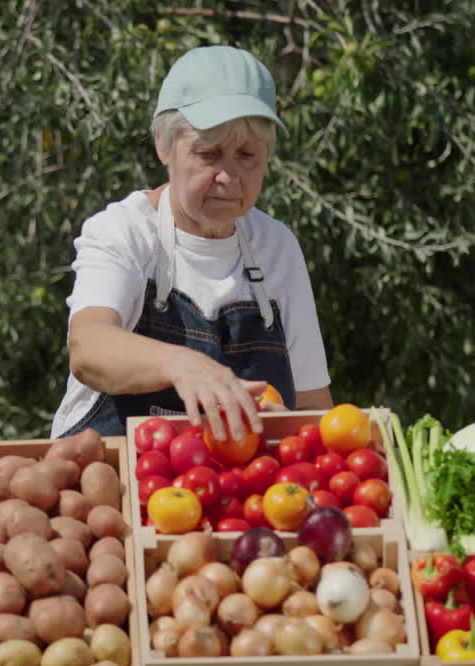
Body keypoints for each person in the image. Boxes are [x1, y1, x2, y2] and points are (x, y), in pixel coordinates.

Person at [51, 45, 334, 442]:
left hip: (234, 490)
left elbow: (312, 405)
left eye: (248, 155)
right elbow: (89, 346)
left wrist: (281, 428)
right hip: (114, 473)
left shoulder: (277, 247)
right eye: (209, 153)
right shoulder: (124, 230)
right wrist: (182, 365)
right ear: (163, 147)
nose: (229, 177)